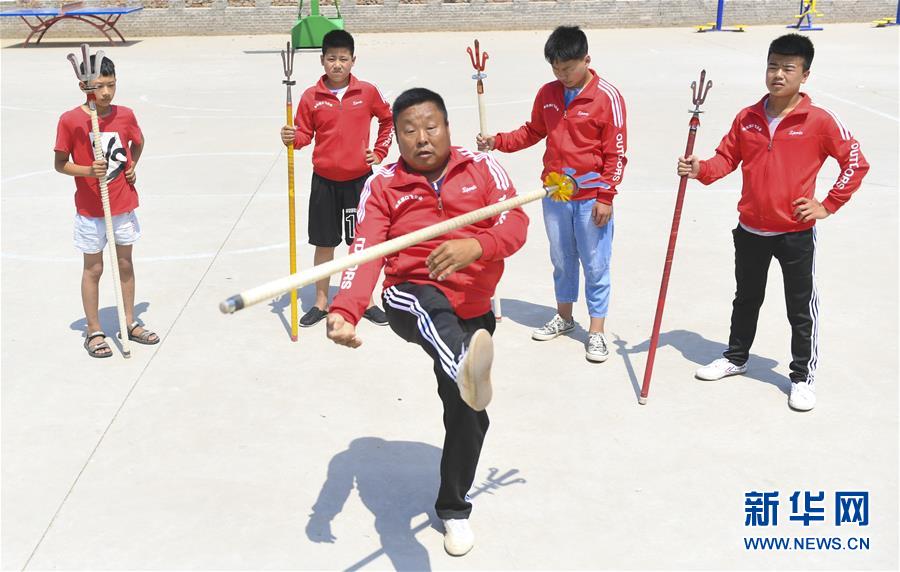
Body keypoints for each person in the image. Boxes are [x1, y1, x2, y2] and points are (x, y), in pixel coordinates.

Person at [326, 88, 528, 556]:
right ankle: (463, 362)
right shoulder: (383, 184)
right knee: (429, 306)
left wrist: (477, 246)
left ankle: (453, 507)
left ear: (448, 128)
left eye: (431, 127)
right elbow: (364, 249)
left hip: (473, 305)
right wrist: (345, 310)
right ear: (395, 136)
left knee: (469, 414)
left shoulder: (483, 167)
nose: (422, 138)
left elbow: (514, 223)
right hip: (409, 295)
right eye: (409, 130)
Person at [677, 33, 869, 411]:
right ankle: (736, 357)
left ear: (804, 75)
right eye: (772, 66)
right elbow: (725, 160)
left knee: (800, 307)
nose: (778, 74)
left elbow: (855, 162)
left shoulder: (819, 120)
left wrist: (828, 205)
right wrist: (700, 169)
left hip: (795, 233)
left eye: (788, 68)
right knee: (746, 298)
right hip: (751, 228)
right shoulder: (748, 117)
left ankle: (801, 377)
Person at [477, 25, 627, 363]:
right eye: (556, 69)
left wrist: (606, 196)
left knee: (595, 263)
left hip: (591, 198)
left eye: (568, 69)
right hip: (555, 194)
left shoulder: (608, 97)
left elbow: (616, 153)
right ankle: (564, 316)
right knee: (561, 258)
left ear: (586, 60)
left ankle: (596, 331)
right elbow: (533, 131)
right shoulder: (548, 93)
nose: (562, 76)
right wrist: (497, 141)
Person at [280, 29, 392, 327]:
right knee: (324, 242)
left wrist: (380, 151)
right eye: (332, 58)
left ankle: (365, 300)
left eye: (343, 58)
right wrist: (292, 137)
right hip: (324, 182)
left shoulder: (367, 92)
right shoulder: (311, 96)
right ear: (322, 60)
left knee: (361, 243)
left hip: (359, 182)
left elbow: (388, 119)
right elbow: (303, 135)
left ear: (353, 60)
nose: (337, 64)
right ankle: (321, 302)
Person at [54, 55, 159, 358]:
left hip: (122, 204)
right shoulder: (71, 120)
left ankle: (129, 321)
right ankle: (94, 329)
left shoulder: (125, 115)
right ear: (83, 86)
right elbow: (60, 163)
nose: (106, 92)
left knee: (125, 263)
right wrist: (88, 171)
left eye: (111, 85)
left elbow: (138, 142)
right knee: (94, 268)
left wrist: (131, 165)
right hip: (91, 209)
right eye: (99, 86)